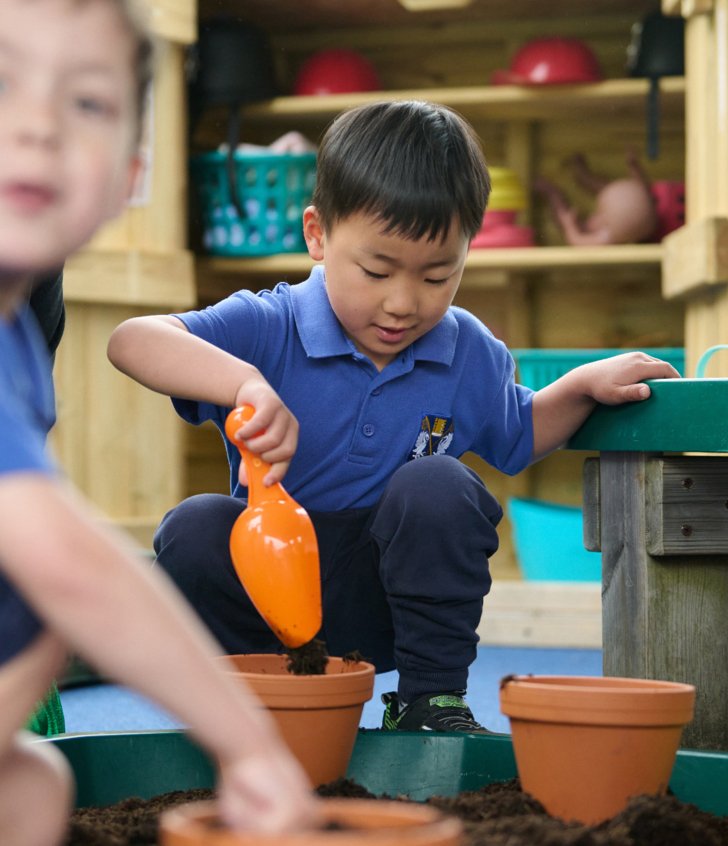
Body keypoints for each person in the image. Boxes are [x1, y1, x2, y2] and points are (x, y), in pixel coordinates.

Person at [108, 99, 680, 735]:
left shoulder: (466, 350)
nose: (404, 303)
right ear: (318, 235)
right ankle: (232, 703)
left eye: (439, 276)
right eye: (376, 271)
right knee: (193, 526)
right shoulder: (270, 325)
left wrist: (577, 387)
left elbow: (519, 436)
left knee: (439, 486)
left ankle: (429, 703)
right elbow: (133, 340)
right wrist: (244, 381)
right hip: (268, 591)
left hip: (387, 603)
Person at [0, 2, 317, 844]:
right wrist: (249, 746)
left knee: (31, 787)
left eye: (88, 103)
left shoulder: (21, 340)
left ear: (129, 174)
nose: (36, 126)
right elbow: (67, 562)